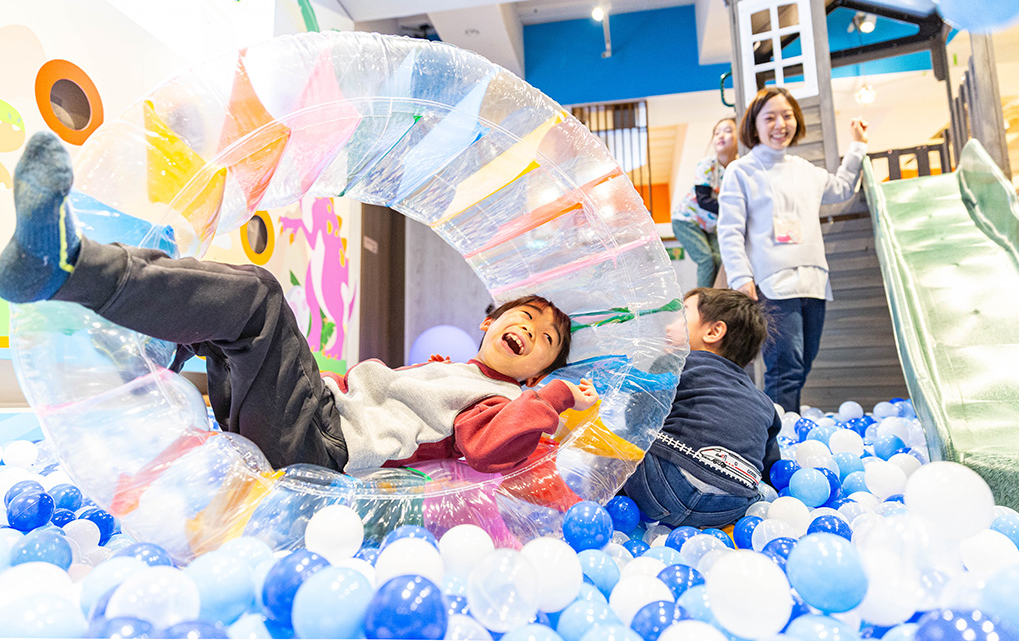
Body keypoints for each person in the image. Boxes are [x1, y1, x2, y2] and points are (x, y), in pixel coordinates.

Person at [0, 132, 597, 474]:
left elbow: (488, 448)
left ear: (537, 371)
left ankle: (66, 266)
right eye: (526, 315)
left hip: (319, 446)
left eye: (546, 341)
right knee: (224, 316)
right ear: (489, 320)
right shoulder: (454, 372)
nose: (532, 330)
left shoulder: (501, 398)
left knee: (257, 299)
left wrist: (556, 398)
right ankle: (141, 327)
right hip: (310, 422)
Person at [717, 87, 869, 414]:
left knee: (801, 367)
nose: (779, 124)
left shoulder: (805, 170)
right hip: (771, 285)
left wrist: (857, 145)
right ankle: (777, 446)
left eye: (786, 116)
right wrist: (741, 278)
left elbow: (841, 188)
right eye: (769, 117)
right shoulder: (741, 171)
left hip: (813, 282)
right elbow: (729, 229)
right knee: (784, 370)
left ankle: (783, 431)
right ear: (754, 126)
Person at [622, 287, 780, 528]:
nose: (668, 326)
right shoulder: (763, 401)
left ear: (714, 331)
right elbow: (771, 464)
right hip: (731, 505)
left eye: (681, 314)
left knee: (618, 440)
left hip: (663, 485)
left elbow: (636, 419)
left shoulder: (675, 363)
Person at [671, 118, 738, 288]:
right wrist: (734, 211)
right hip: (686, 220)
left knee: (722, 257)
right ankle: (702, 303)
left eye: (728, 131)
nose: (721, 135)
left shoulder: (738, 168)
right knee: (706, 260)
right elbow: (703, 201)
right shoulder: (708, 165)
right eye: (717, 133)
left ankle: (717, 297)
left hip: (709, 225)